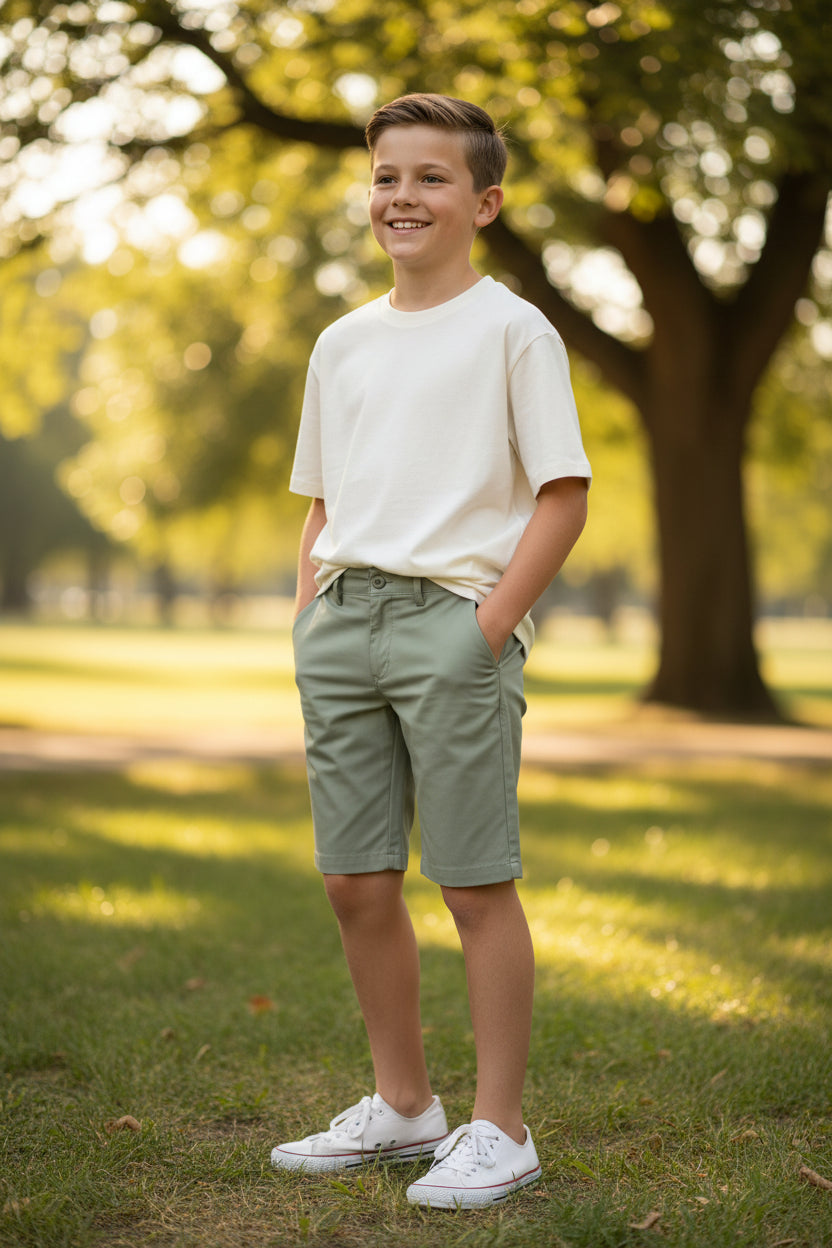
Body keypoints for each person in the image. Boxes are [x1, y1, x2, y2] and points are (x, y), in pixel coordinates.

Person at [270, 92, 591, 1209]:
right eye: (386, 177)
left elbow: (562, 494)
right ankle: (405, 1109)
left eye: (431, 177)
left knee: (472, 882)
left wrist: (485, 628)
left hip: (451, 626)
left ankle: (501, 1130)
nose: (402, 195)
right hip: (343, 622)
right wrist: (311, 610)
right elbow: (321, 496)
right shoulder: (342, 342)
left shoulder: (513, 329)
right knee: (355, 879)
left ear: (484, 202)